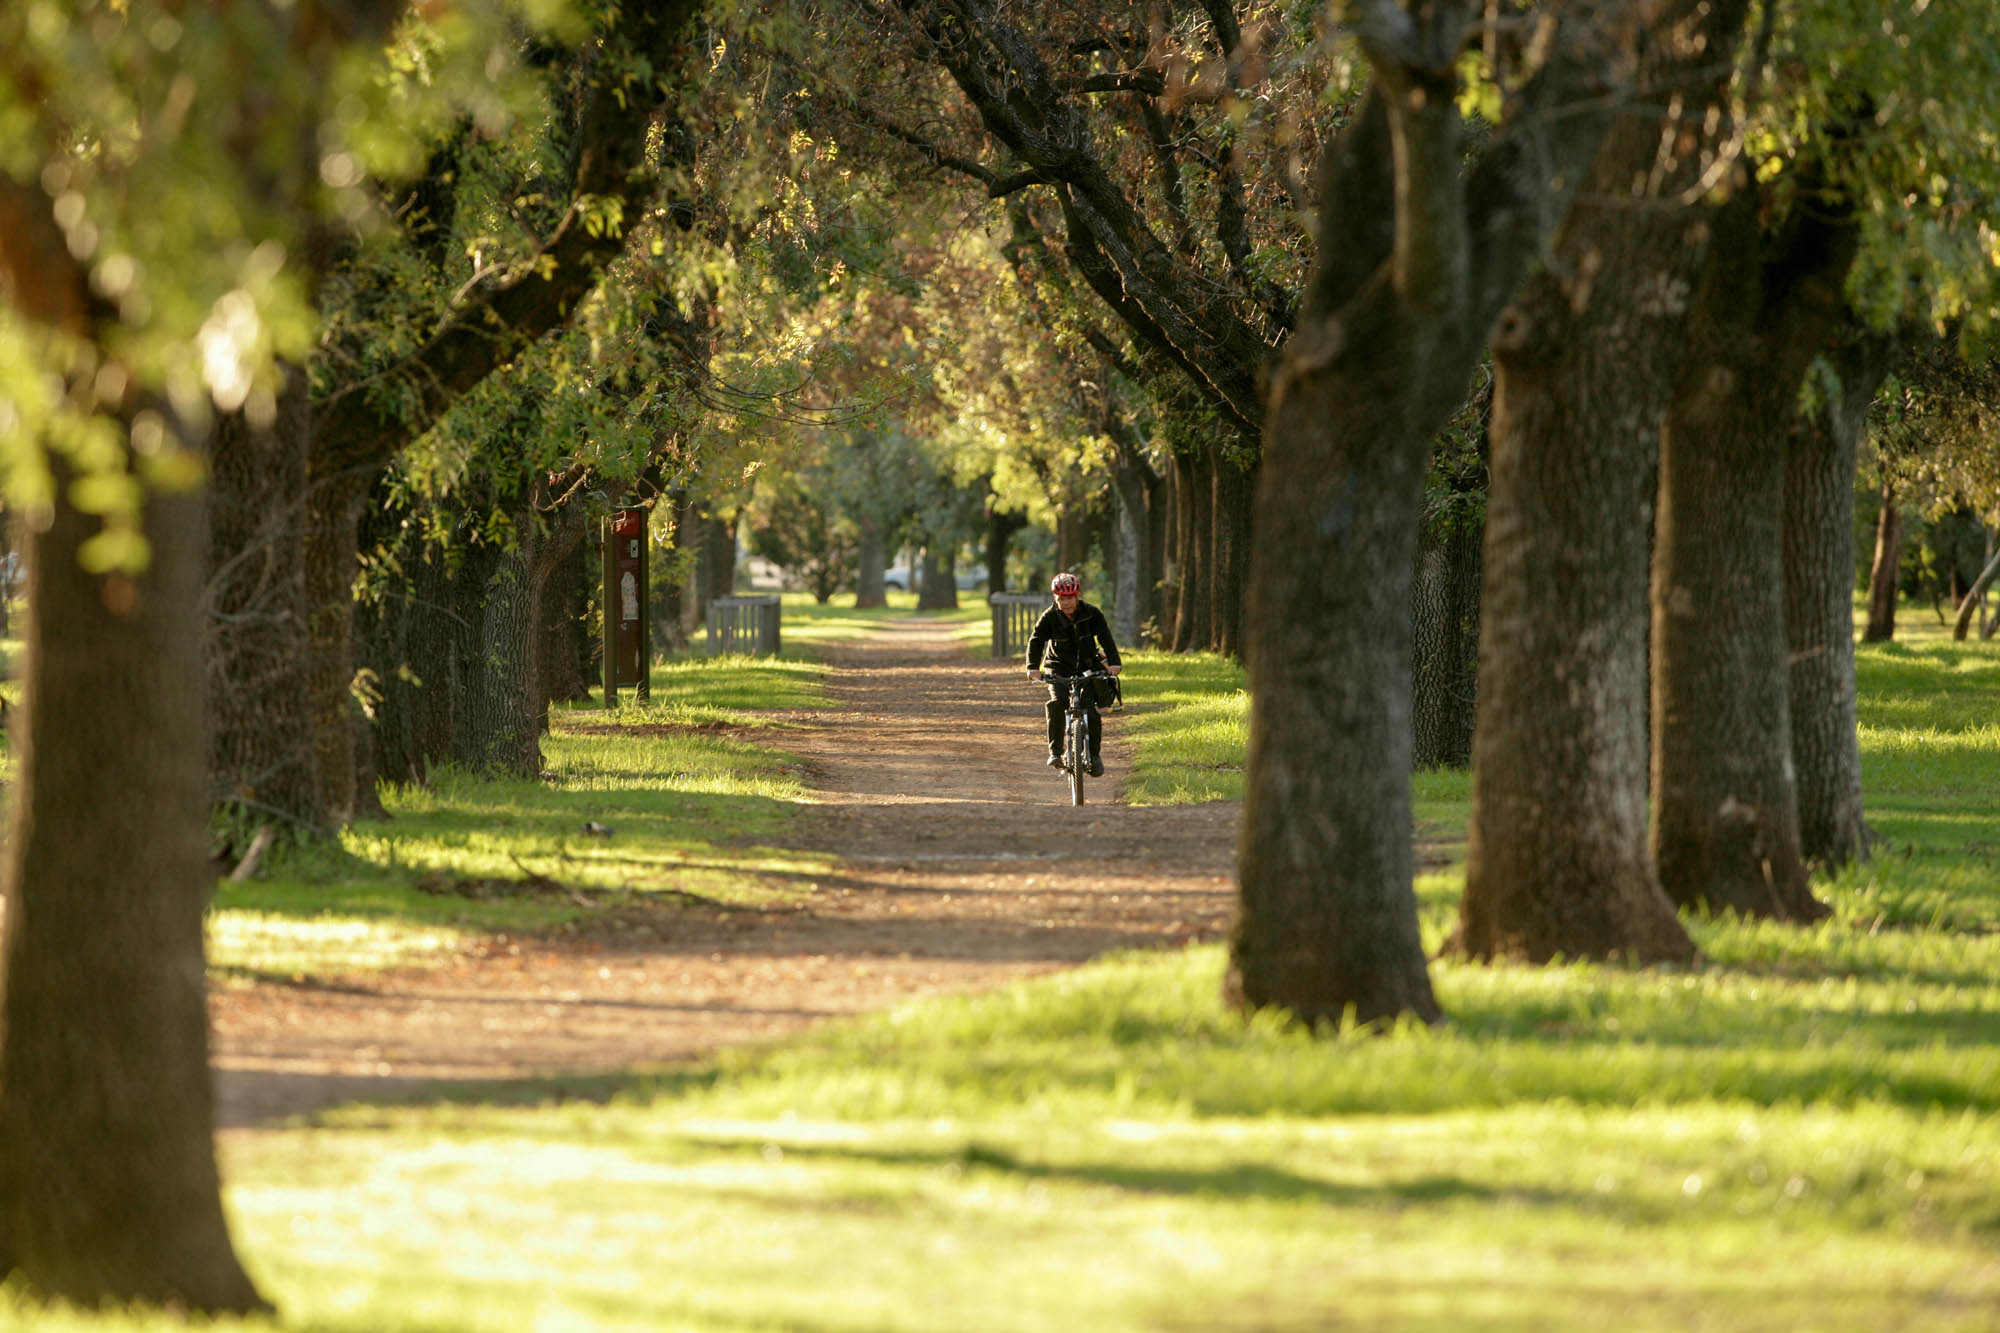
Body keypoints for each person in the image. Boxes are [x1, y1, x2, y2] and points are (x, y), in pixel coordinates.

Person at [1026, 571, 1122, 775]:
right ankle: (1056, 752)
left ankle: (1094, 755)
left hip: (1087, 665)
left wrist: (1114, 663)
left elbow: (1106, 638)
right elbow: (1036, 641)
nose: (1066, 603)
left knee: (1090, 710)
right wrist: (1032, 667)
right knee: (1057, 702)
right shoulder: (1049, 617)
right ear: (1055, 598)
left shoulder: (1092, 614)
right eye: (1062, 599)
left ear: (1077, 596)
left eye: (1070, 598)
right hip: (1057, 666)